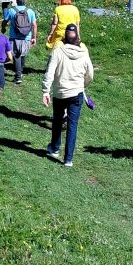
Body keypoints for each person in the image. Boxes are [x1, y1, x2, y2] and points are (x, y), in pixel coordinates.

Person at [42, 24, 94, 167]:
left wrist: (46, 91)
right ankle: (68, 159)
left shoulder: (58, 51)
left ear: (64, 36)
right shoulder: (84, 53)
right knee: (72, 125)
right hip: (76, 93)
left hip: (60, 92)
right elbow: (90, 75)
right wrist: (82, 85)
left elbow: (49, 72)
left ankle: (54, 148)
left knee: (57, 121)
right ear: (78, 36)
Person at [3, 0, 37, 84]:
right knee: (22, 54)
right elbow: (34, 25)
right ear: (25, 2)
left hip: (14, 36)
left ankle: (18, 76)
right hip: (27, 37)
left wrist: (3, 27)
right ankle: (20, 71)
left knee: (16, 55)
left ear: (16, 1)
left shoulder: (11, 10)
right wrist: (34, 37)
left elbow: (5, 20)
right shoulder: (30, 11)